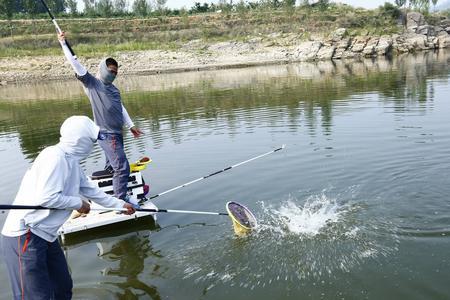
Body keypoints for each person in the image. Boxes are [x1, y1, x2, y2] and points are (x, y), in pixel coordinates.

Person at [1, 116, 136, 300]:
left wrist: (121, 205)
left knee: (63, 287)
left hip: (45, 234)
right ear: (81, 139)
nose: (94, 143)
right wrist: (78, 204)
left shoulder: (71, 161)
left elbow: (92, 191)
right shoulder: (54, 157)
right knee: (34, 296)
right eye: (92, 139)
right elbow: (47, 197)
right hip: (25, 234)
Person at [58, 32, 143, 203]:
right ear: (104, 70)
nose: (113, 74)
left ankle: (108, 193)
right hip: (107, 134)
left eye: (116, 72)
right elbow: (75, 63)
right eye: (111, 71)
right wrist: (63, 43)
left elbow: (120, 107)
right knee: (122, 167)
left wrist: (131, 125)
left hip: (118, 133)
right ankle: (121, 200)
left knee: (113, 167)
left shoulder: (114, 89)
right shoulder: (93, 84)